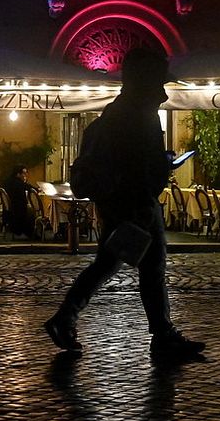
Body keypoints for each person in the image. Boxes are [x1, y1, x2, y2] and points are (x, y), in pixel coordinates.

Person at [44, 48, 205, 358]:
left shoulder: (119, 113)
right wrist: (157, 173)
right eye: (158, 82)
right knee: (142, 266)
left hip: (124, 203)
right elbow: (136, 164)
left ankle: (69, 318)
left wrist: (159, 163)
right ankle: (160, 335)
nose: (162, 91)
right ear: (144, 82)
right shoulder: (135, 116)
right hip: (135, 204)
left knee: (115, 265)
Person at [3, 165, 37, 237]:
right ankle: (31, 233)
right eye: (24, 173)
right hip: (17, 211)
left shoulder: (9, 181)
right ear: (18, 174)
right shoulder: (18, 183)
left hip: (9, 211)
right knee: (32, 210)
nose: (26, 175)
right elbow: (29, 188)